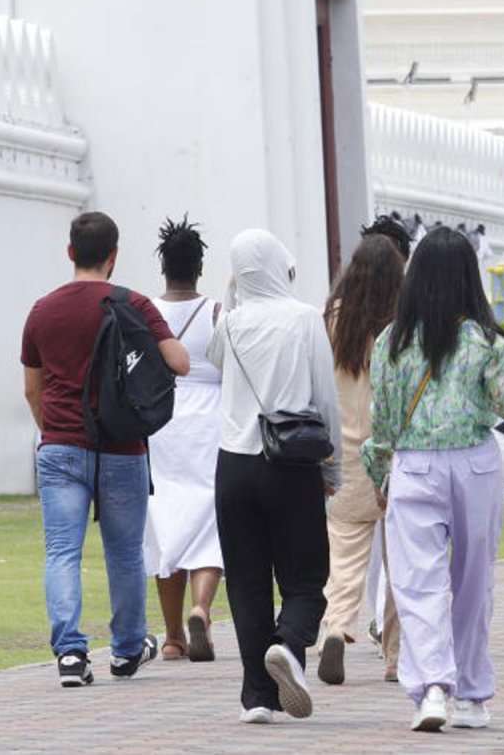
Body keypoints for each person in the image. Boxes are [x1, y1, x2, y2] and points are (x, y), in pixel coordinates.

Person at [361, 227, 504, 732]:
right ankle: (473, 694)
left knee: (417, 585)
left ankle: (432, 688)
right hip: (475, 465)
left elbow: (385, 422)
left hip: (414, 465)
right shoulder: (484, 339)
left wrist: (381, 474)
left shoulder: (390, 342)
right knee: (472, 583)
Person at [21, 212, 189, 688]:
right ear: (113, 256)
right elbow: (179, 360)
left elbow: (32, 389)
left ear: (70, 252)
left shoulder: (43, 310)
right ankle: (128, 650)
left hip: (59, 446)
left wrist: (52, 431)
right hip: (122, 447)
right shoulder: (132, 303)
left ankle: (71, 656)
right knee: (125, 552)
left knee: (61, 552)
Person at [207, 229, 342, 724]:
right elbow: (325, 399)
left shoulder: (231, 324)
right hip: (290, 461)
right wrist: (334, 467)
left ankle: (258, 698)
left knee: (245, 581)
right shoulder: (305, 319)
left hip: (233, 466)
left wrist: (231, 294)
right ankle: (287, 643)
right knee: (306, 575)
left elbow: (216, 361)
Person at [317, 235, 405, 687]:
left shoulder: (332, 317)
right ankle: (394, 655)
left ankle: (337, 626)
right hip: (391, 452)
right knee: (401, 561)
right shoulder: (401, 324)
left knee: (345, 555)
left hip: (342, 452)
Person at [143, 217, 224, 663]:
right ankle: (202, 607)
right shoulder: (215, 312)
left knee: (165, 519)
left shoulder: (146, 311)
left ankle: (173, 635)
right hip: (208, 422)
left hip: (162, 423)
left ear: (164, 266)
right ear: (199, 266)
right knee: (208, 518)